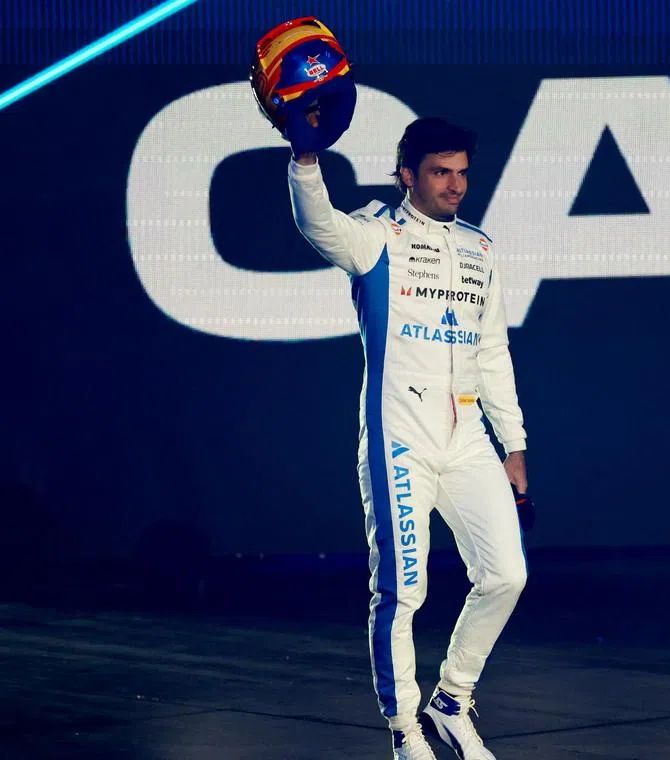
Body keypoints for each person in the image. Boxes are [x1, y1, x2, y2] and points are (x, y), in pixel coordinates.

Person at [286, 114, 531, 760]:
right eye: (440, 173)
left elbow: (494, 349)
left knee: (507, 574)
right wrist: (306, 164)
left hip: (469, 438)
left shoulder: (480, 248)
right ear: (407, 175)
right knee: (403, 590)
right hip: (401, 439)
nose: (456, 186)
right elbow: (319, 226)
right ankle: (405, 732)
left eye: (462, 173)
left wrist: (514, 445)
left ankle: (452, 699)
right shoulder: (376, 237)